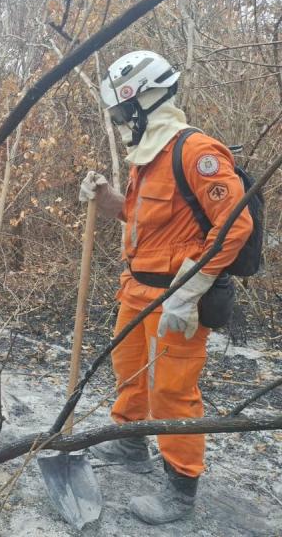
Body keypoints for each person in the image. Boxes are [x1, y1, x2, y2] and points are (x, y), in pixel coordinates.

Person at [78, 51, 252, 525]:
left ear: (140, 100)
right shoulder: (149, 154)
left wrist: (188, 290)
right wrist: (108, 198)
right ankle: (132, 446)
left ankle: (180, 490)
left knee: (173, 392)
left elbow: (234, 227)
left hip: (176, 296)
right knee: (129, 370)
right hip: (136, 289)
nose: (118, 121)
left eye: (119, 111)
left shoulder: (196, 152)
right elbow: (146, 222)